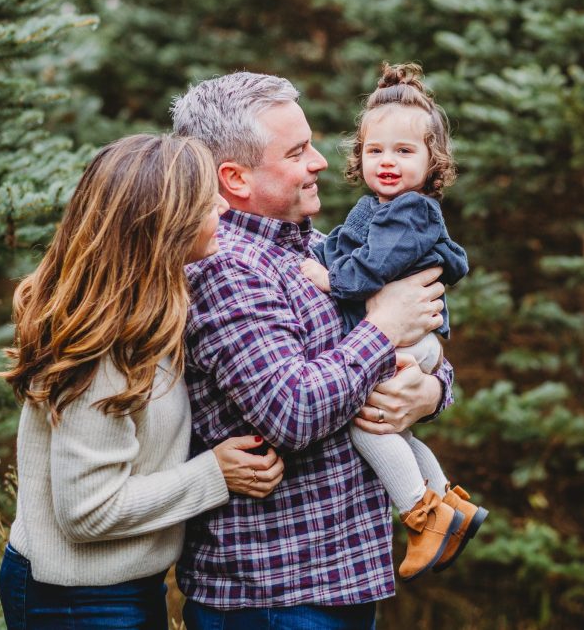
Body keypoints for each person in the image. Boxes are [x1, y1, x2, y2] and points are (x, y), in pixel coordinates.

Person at [171, 72, 454, 629]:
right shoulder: (226, 268)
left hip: (340, 581)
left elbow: (425, 342)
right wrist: (383, 327)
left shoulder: (319, 249)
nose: (321, 161)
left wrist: (428, 391)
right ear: (235, 178)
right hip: (275, 594)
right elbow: (292, 411)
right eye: (297, 151)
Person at [0, 134, 284, 629]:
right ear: (163, 224)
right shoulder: (103, 351)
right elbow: (87, 511)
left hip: (119, 587)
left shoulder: (149, 310)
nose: (221, 205)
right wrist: (215, 474)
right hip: (77, 600)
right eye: (204, 201)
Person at [301, 62, 487, 581]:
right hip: (406, 338)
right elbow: (341, 245)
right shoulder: (376, 207)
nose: (387, 161)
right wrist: (323, 259)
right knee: (391, 427)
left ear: (433, 162)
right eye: (375, 150)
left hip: (412, 340)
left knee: (367, 427)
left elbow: (372, 267)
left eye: (404, 151)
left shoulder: (412, 211)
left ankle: (420, 515)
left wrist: (328, 280)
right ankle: (448, 502)